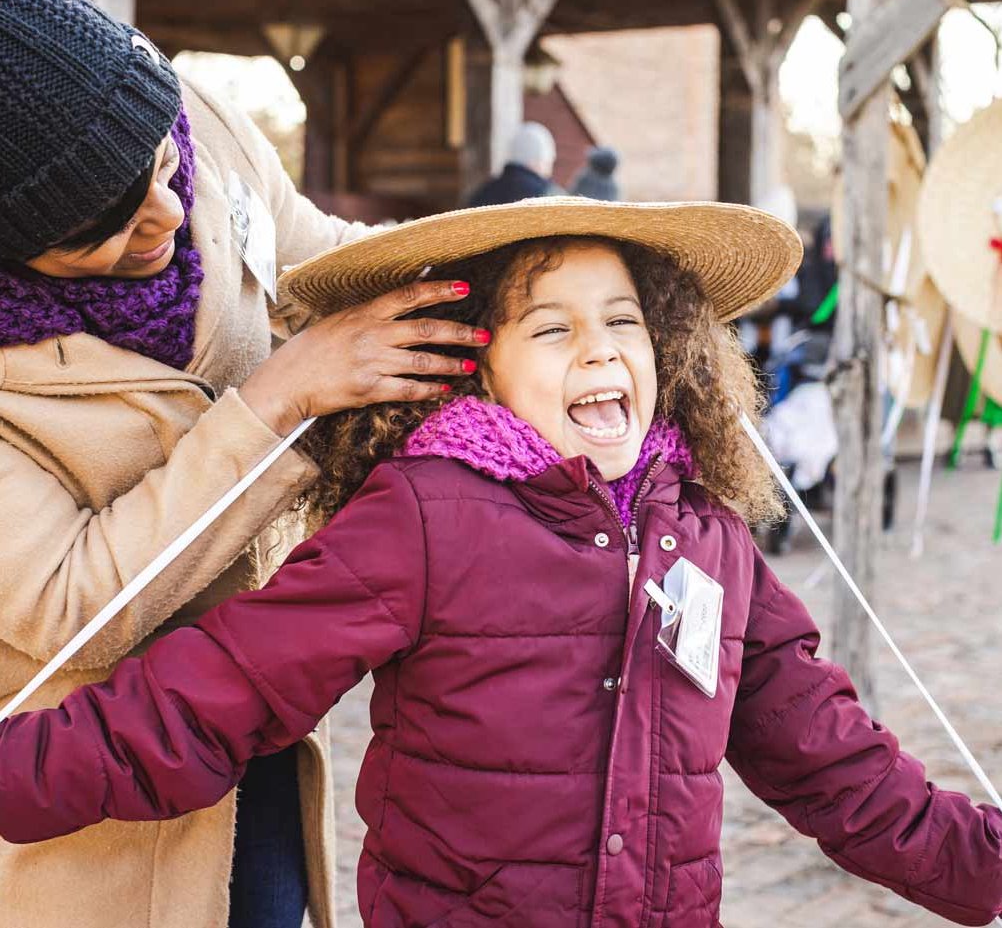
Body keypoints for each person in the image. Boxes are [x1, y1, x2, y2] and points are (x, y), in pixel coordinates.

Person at [2, 198, 1002, 928]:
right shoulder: (427, 514)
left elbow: (830, 755)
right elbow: (218, 691)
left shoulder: (707, 531)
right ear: (479, 365)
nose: (598, 349)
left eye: (622, 321)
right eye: (552, 327)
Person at [0, 0, 487, 928]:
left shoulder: (198, 123)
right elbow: (67, 601)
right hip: (95, 792)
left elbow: (321, 257)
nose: (170, 215)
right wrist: (279, 399)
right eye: (106, 225)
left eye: (162, 166)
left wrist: (512, 275)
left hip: (259, 708)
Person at [466, 120, 559, 206]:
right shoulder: (546, 195)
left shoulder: (486, 192)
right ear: (537, 160)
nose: (549, 170)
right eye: (548, 162)